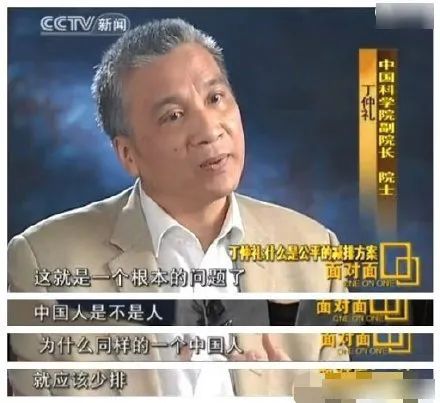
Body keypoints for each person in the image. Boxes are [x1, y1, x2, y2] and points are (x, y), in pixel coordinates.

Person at [7, 18, 348, 396]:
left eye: (215, 98)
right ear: (128, 154)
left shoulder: (314, 254)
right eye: (173, 115)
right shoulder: (42, 264)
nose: (210, 130)